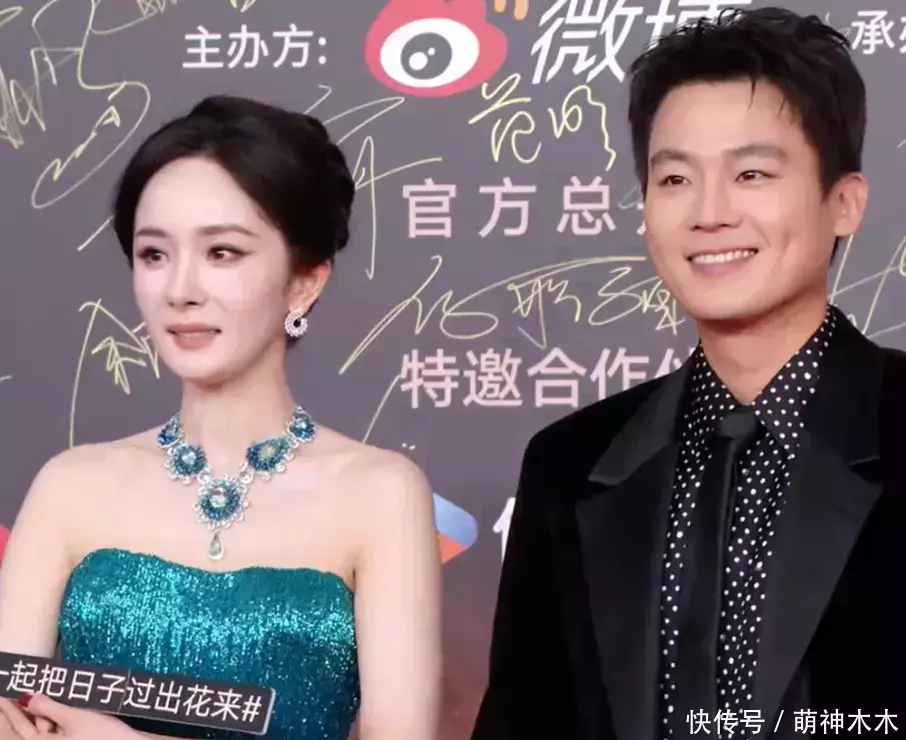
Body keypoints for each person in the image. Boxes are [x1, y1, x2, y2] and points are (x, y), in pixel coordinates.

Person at [472, 7, 903, 740]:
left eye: (751, 174)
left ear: (844, 202)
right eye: (674, 178)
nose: (709, 213)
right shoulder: (571, 464)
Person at [0, 95, 442, 739]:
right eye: (154, 255)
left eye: (222, 253)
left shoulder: (379, 492)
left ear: (304, 281)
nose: (180, 290)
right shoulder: (70, 486)